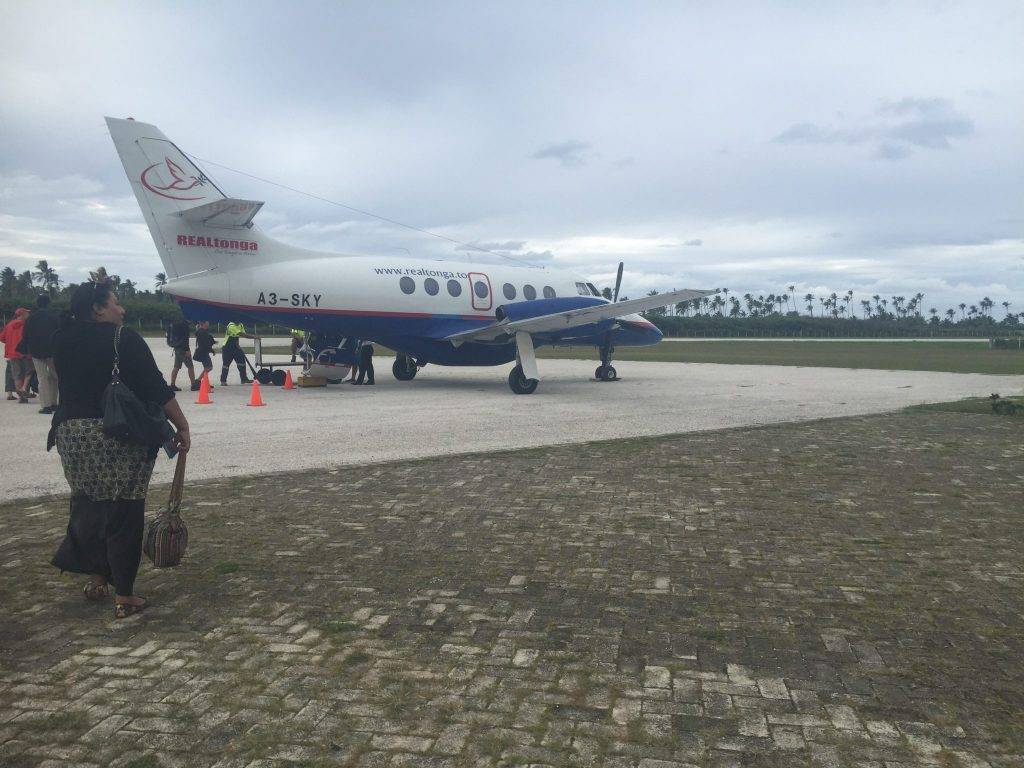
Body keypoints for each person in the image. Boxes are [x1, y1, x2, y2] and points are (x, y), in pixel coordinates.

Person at [48, 281, 190, 619]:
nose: (121, 309)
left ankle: (97, 577)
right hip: (114, 433)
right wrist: (182, 425)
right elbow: (155, 387)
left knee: (89, 504)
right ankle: (124, 595)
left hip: (71, 435)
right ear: (98, 308)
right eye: (115, 303)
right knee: (124, 510)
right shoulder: (123, 338)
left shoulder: (61, 339)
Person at [20, 294, 61, 414]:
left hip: (36, 351)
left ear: (37, 304)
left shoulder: (31, 318)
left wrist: (25, 348)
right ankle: (55, 403)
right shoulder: (54, 317)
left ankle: (46, 406)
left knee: (42, 378)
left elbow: (25, 335)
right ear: (49, 304)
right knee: (56, 377)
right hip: (53, 351)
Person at [1, 307, 35, 403]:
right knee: (29, 372)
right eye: (27, 313)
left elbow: (2, 338)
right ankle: (24, 392)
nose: (28, 315)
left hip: (12, 353)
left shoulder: (9, 325)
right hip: (25, 352)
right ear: (22, 315)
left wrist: (10, 342)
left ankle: (21, 397)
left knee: (17, 375)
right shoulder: (27, 325)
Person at [220, 321, 258, 385]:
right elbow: (242, 334)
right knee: (226, 364)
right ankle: (223, 381)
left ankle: (244, 379)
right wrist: (254, 336)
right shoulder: (231, 325)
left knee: (242, 362)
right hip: (227, 347)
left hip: (236, 347)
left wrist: (238, 345)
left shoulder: (240, 324)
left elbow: (240, 335)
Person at [167, 317, 198, 392]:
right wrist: (187, 350)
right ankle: (193, 385)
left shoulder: (177, 325)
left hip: (177, 348)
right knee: (190, 367)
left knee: (176, 367)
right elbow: (185, 339)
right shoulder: (185, 326)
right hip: (183, 349)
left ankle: (172, 384)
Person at [193, 320, 216, 385]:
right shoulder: (203, 332)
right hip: (204, 352)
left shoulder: (201, 331)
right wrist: (212, 350)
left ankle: (205, 382)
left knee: (206, 367)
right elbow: (206, 344)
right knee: (208, 367)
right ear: (204, 323)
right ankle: (198, 381)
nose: (208, 323)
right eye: (207, 322)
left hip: (202, 351)